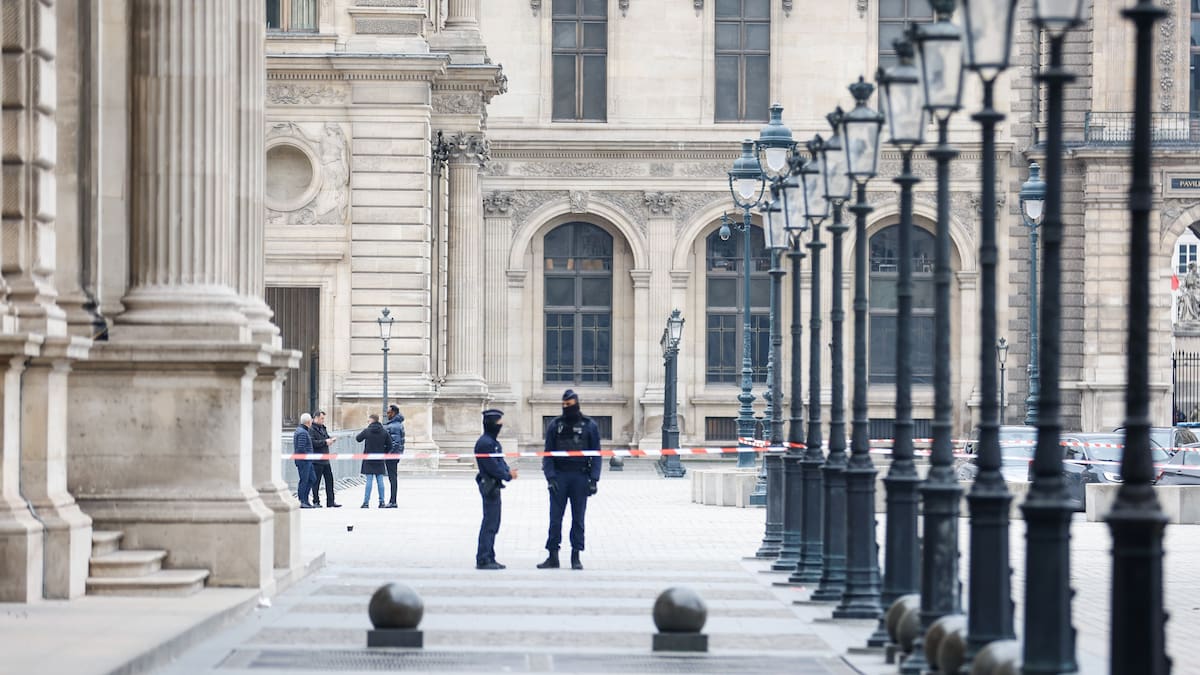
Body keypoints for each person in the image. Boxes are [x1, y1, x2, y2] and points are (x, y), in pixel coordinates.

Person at [537, 389, 602, 570]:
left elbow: (596, 454)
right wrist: (550, 478)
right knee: (555, 519)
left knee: (578, 518)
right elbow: (548, 454)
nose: (566, 407)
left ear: (577, 404)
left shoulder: (589, 426)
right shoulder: (555, 425)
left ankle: (576, 555)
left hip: (580, 476)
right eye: (564, 404)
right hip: (560, 476)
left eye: (570, 404)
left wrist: (594, 479)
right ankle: (553, 555)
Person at [474, 409, 518, 570]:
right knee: (490, 523)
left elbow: (500, 461)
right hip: (489, 485)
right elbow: (492, 466)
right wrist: (507, 475)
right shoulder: (485, 443)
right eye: (499, 423)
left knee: (494, 522)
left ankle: (490, 556)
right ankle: (484, 558)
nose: (501, 426)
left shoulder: (492, 442)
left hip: (494, 485)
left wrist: (507, 471)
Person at [356, 414, 390, 508]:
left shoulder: (367, 431)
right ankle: (382, 502)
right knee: (380, 480)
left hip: (369, 458)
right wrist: (384, 452)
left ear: (371, 420)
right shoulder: (384, 432)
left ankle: (366, 502)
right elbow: (390, 445)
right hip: (379, 458)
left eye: (368, 420)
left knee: (369, 480)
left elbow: (358, 439)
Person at [308, 411, 340, 507]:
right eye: (322, 418)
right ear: (316, 418)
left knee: (329, 481)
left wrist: (331, 439)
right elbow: (313, 443)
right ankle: (316, 501)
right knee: (316, 482)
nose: (323, 420)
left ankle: (331, 501)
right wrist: (325, 442)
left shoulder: (323, 428)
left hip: (325, 459)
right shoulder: (311, 429)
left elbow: (326, 437)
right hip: (317, 460)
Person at [383, 405, 406, 509]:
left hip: (392, 455)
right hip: (395, 454)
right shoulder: (396, 424)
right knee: (392, 478)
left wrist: (388, 454)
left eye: (388, 412)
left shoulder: (394, 426)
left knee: (392, 478)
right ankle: (393, 500)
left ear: (393, 413)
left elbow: (395, 442)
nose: (387, 414)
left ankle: (393, 501)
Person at [292, 413, 317, 509]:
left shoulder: (303, 431)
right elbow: (301, 448)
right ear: (308, 421)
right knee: (304, 480)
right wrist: (308, 455)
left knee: (312, 478)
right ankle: (302, 500)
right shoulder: (302, 432)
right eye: (311, 420)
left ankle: (305, 500)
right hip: (304, 461)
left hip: (307, 460)